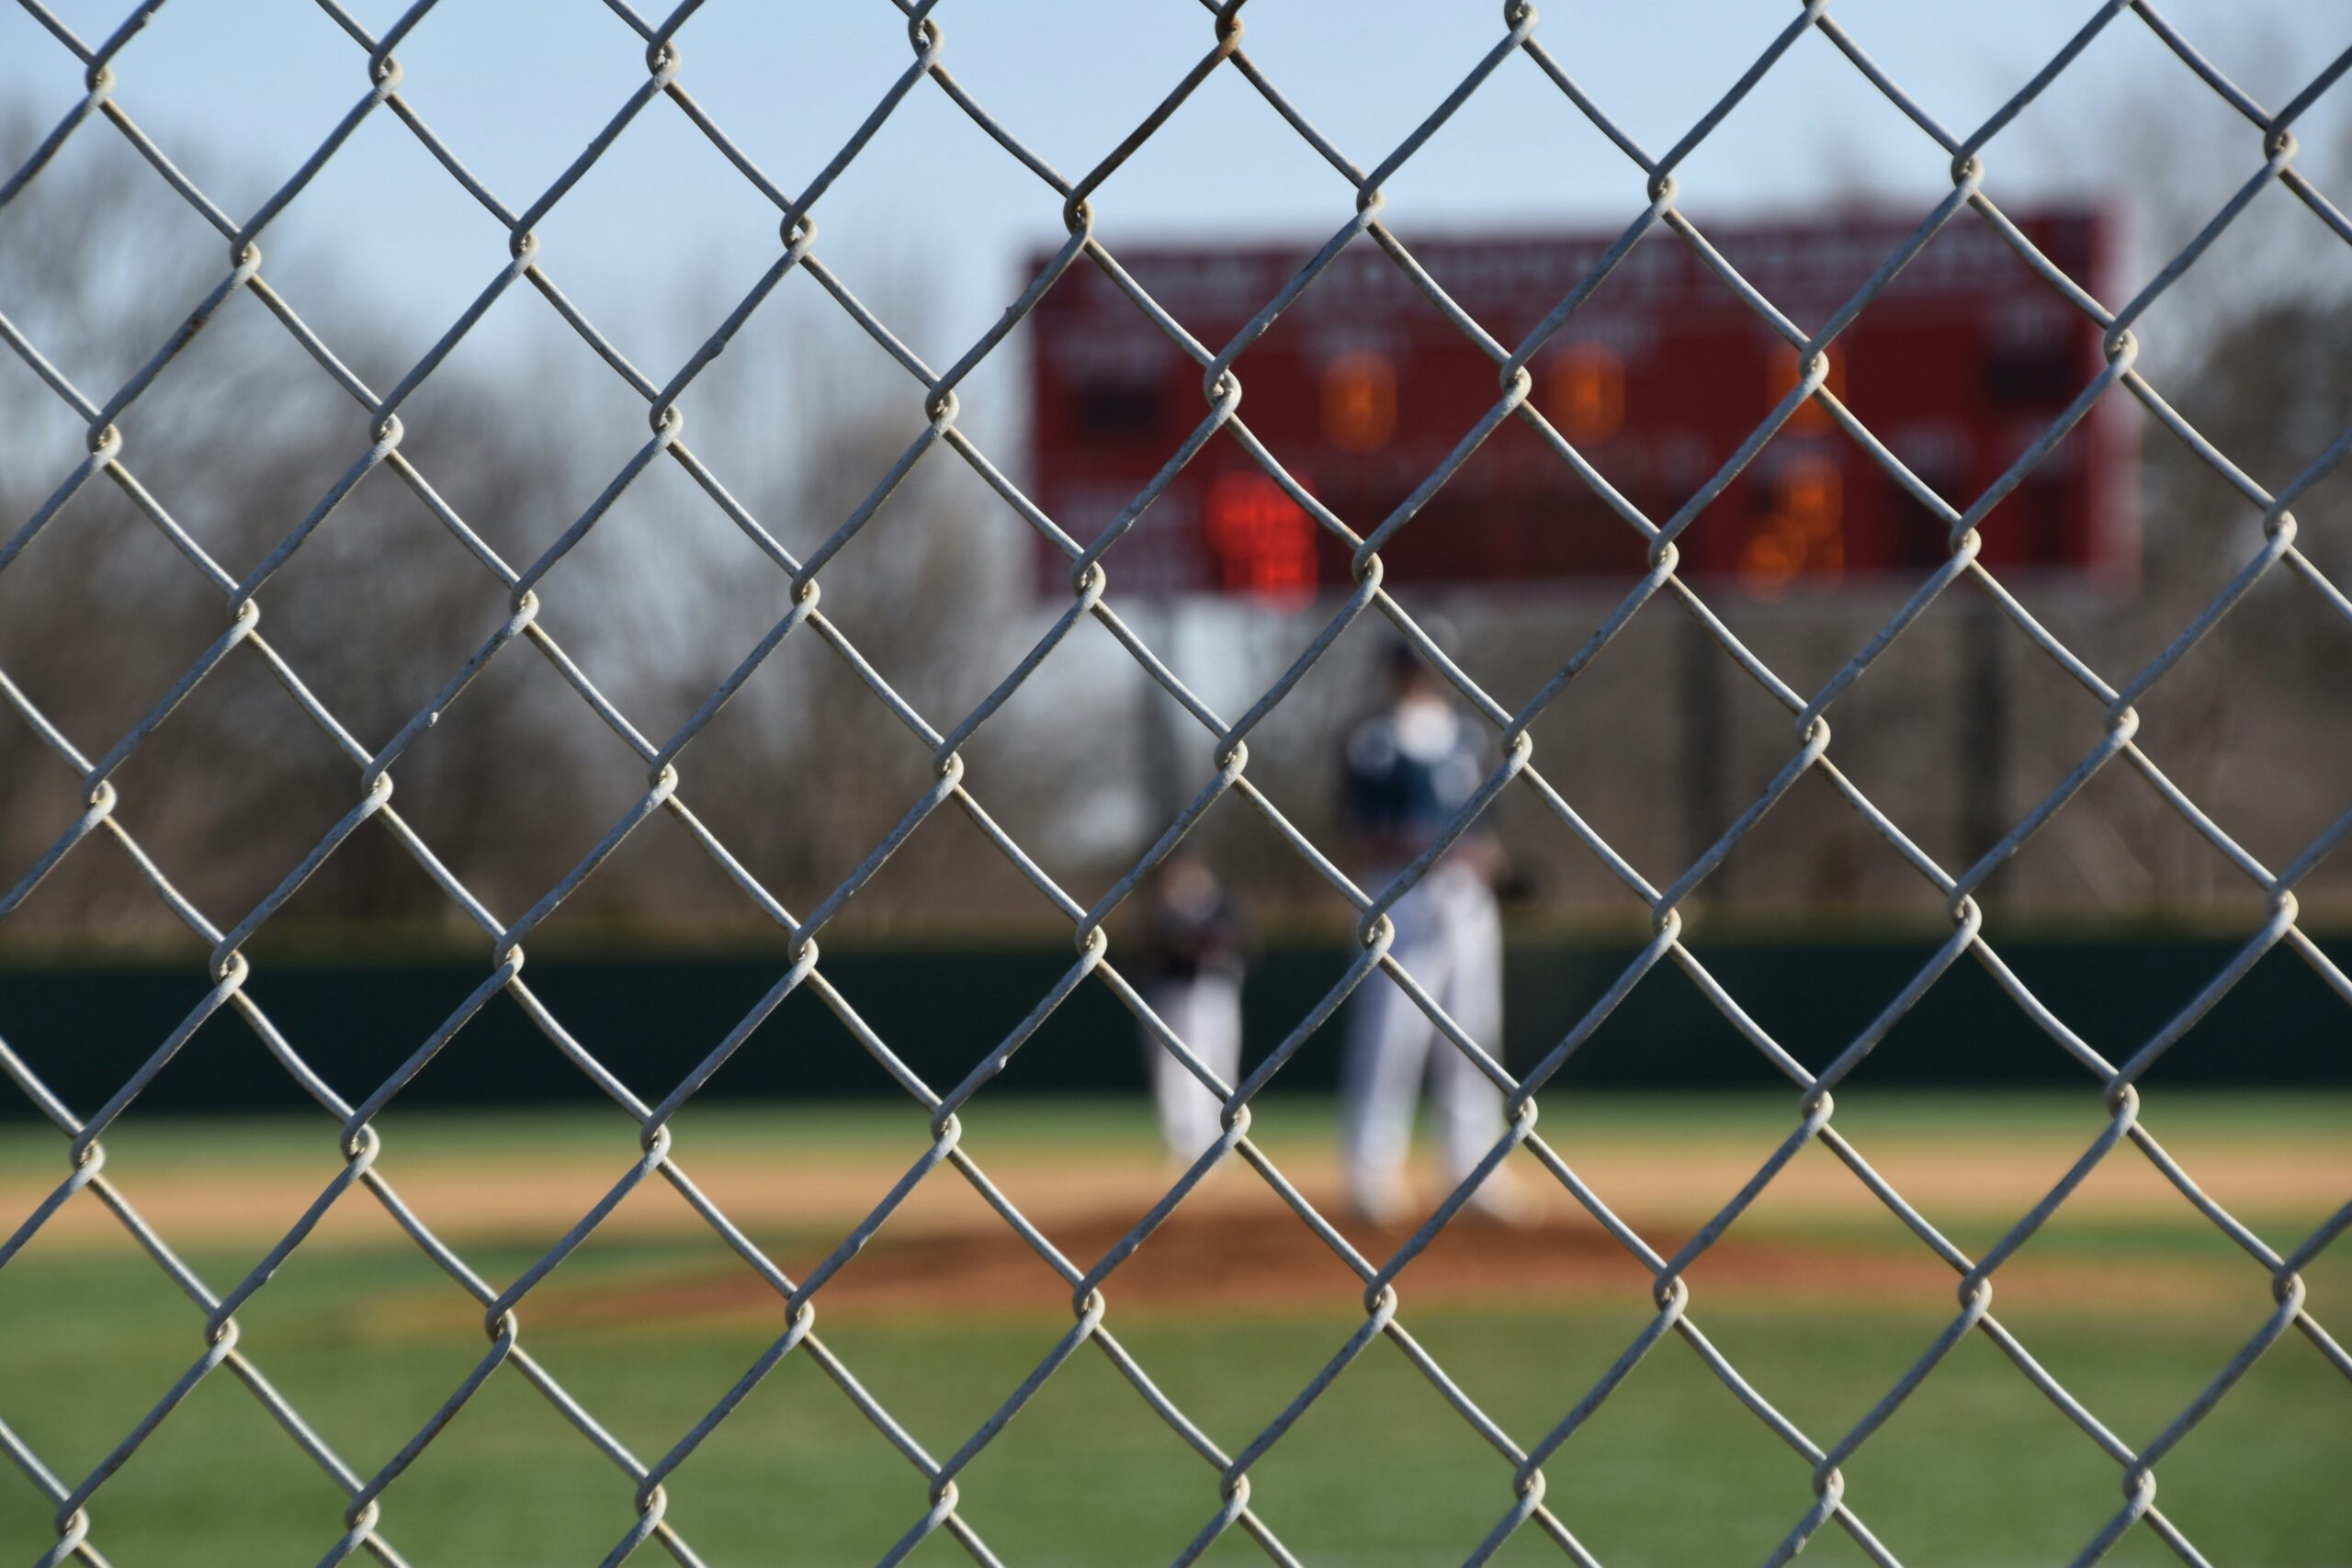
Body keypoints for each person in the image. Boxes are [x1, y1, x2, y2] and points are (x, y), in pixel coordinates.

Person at [1337, 639, 1527, 1225]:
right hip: (1401, 895)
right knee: (1391, 1036)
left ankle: (1475, 1167)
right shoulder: (1374, 738)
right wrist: (1432, 849)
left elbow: (1486, 828)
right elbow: (1360, 830)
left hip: (1466, 900)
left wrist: (1493, 866)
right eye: (1417, 665)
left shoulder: (1466, 737)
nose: (1425, 676)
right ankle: (1371, 1171)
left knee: (1472, 1037)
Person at [1133, 850, 1251, 1162]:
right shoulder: (1163, 908)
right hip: (1175, 992)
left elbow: (1242, 943)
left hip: (1218, 991)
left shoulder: (1221, 904)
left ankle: (1221, 1142)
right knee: (1177, 1070)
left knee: (1221, 1066)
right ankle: (1185, 1144)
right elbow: (1156, 946)